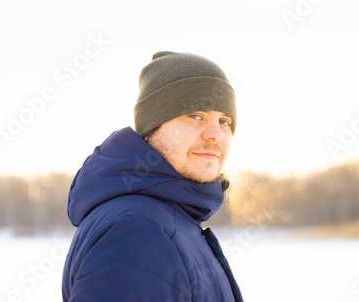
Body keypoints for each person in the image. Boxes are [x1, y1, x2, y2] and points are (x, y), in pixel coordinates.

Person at [62, 51, 243, 301]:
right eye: (195, 115)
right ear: (151, 127)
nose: (216, 134)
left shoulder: (171, 220)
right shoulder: (137, 231)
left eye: (224, 121)